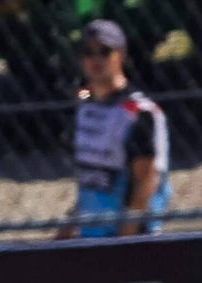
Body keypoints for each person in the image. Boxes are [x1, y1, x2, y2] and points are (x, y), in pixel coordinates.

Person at [67, 21, 167, 239]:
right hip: (92, 232)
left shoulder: (138, 111)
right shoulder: (85, 108)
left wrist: (124, 239)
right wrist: (68, 226)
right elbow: (91, 178)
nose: (96, 59)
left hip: (130, 238)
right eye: (88, 52)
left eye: (104, 51)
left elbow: (146, 181)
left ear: (120, 54)